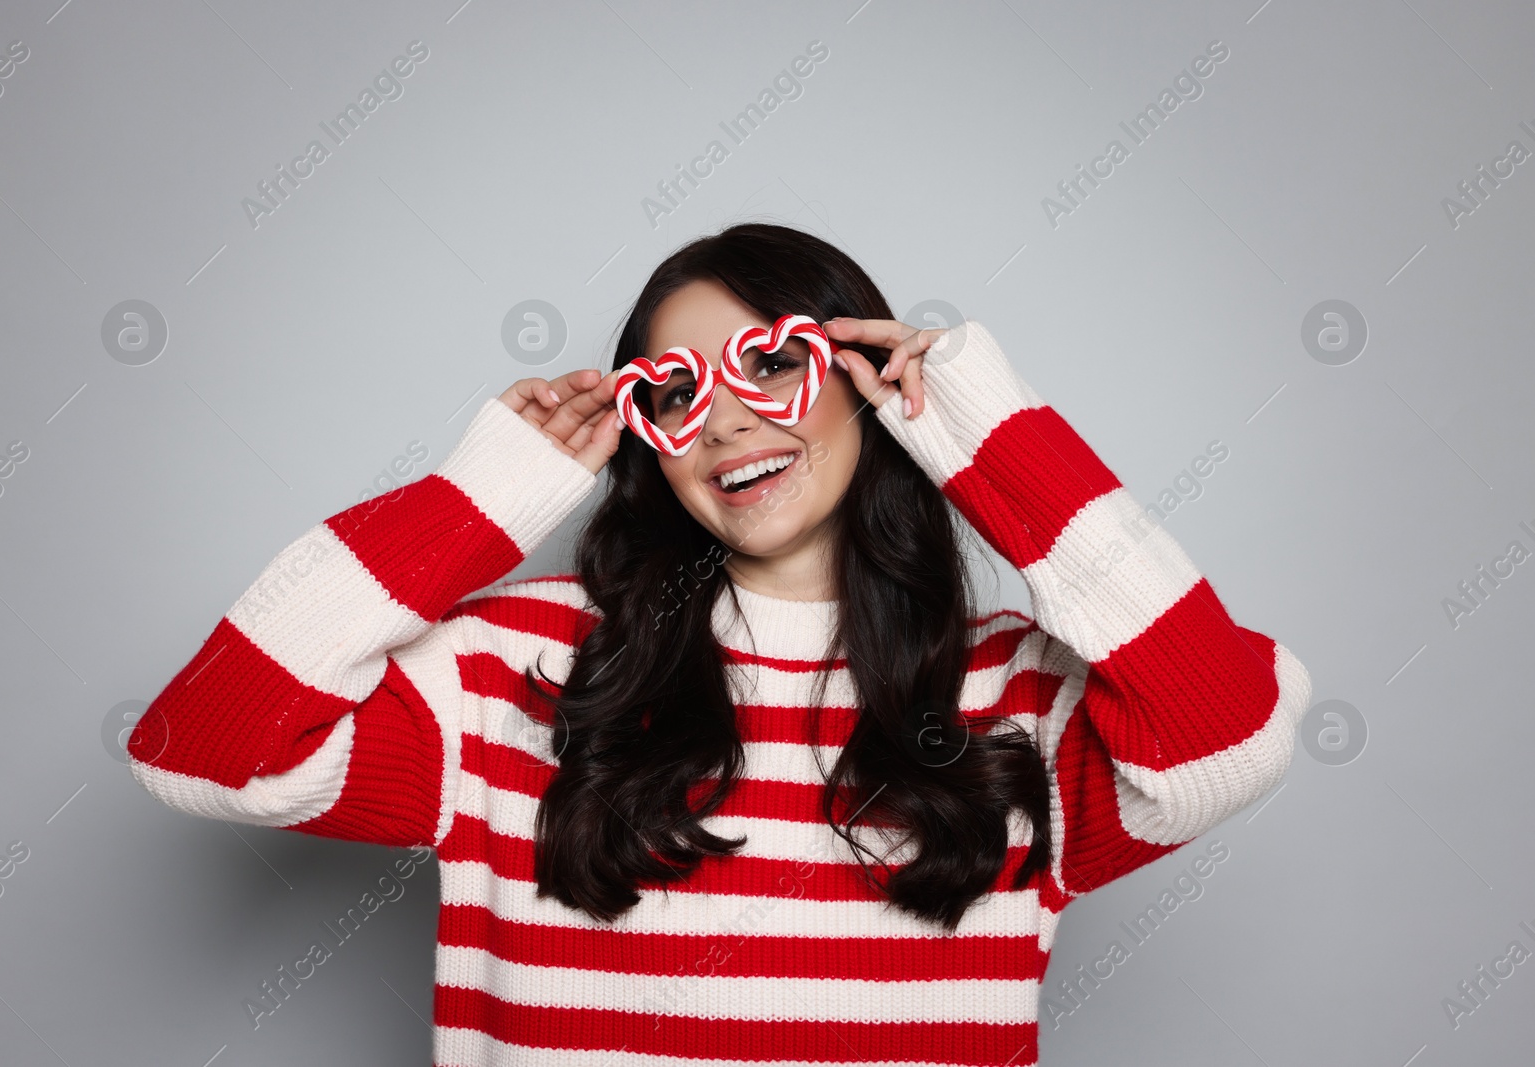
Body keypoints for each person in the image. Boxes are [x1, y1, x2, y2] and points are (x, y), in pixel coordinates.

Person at [127, 222, 1312, 1065]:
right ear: (644, 432)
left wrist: (995, 442)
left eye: (775, 362)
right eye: (674, 391)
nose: (728, 418)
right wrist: (472, 503)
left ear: (867, 384)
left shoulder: (1014, 691)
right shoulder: (510, 671)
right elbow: (202, 749)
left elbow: (1232, 739)